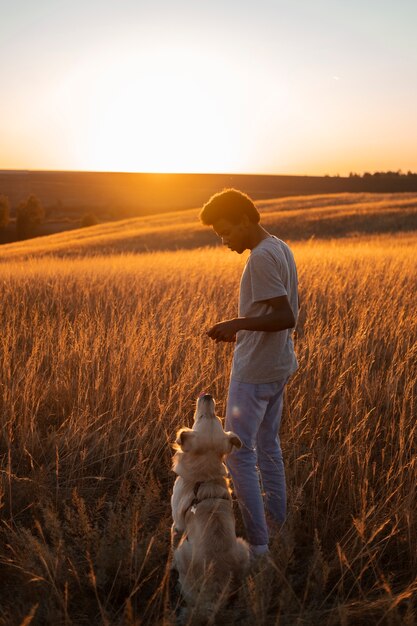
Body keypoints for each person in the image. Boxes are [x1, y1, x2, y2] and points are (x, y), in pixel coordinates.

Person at [199, 188, 299, 558]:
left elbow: (286, 316)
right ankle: (276, 529)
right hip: (276, 364)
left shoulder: (260, 257)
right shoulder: (279, 246)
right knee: (268, 447)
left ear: (245, 220)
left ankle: (258, 546)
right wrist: (240, 330)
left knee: (239, 455)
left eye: (226, 231)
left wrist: (236, 322)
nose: (224, 241)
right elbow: (272, 316)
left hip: (255, 372)